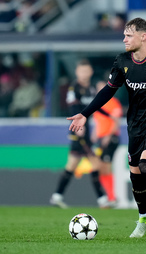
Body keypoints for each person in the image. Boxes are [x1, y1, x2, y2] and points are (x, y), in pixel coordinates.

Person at [67, 18, 146, 238]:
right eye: (124, 35)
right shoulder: (122, 61)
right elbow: (108, 91)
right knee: (135, 173)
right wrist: (85, 114)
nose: (124, 39)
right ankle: (145, 217)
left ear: (143, 36)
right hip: (134, 124)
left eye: (129, 35)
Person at [50, 60, 112, 209]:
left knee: (71, 165)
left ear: (90, 72)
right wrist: (79, 126)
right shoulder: (74, 88)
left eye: (86, 71)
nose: (84, 74)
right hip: (78, 131)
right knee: (95, 163)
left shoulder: (91, 89)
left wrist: (109, 115)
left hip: (86, 130)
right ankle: (103, 200)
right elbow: (73, 108)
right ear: (77, 72)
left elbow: (93, 106)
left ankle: (56, 196)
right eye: (81, 71)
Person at [92, 80, 123, 204]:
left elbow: (116, 121)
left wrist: (108, 136)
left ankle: (111, 197)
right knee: (101, 167)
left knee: (106, 166)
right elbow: (98, 122)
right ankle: (109, 197)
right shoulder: (98, 103)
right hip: (101, 138)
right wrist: (94, 135)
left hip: (111, 138)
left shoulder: (113, 102)